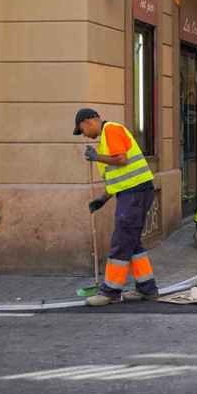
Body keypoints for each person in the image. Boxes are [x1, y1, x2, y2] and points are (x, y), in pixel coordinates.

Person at [77, 108, 158, 306]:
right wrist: (102, 199)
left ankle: (110, 291)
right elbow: (118, 178)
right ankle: (147, 288)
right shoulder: (107, 137)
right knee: (132, 242)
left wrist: (97, 157)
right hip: (133, 193)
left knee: (121, 240)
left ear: (90, 121)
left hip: (134, 194)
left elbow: (122, 160)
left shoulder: (111, 130)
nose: (84, 135)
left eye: (82, 130)